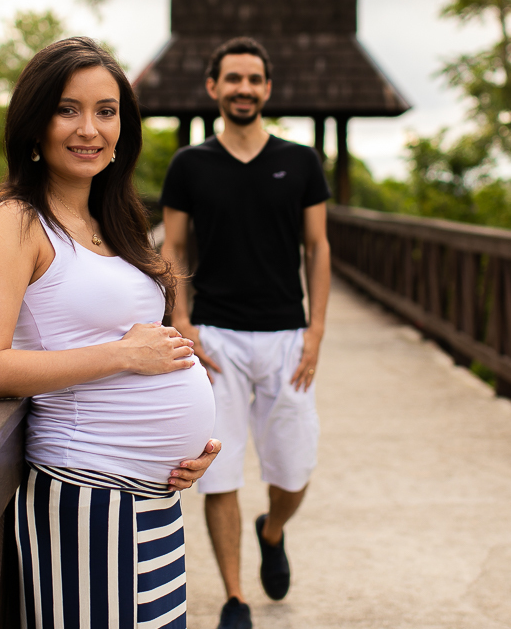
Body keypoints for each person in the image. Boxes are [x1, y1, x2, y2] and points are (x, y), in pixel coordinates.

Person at [0, 37, 221, 629]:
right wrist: (124, 355)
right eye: (67, 109)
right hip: (89, 495)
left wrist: (185, 450)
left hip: (152, 498)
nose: (90, 128)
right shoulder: (18, 220)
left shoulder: (116, 220)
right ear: (34, 124)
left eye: (106, 111)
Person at [159, 37, 331, 629]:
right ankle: (235, 598)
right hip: (216, 337)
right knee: (221, 471)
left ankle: (274, 527)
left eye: (254, 79)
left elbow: (318, 246)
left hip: (287, 335)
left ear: (267, 89)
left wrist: (316, 332)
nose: (243, 89)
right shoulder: (189, 166)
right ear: (213, 88)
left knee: (293, 471)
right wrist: (180, 319)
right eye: (232, 79)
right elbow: (173, 246)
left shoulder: (302, 162)